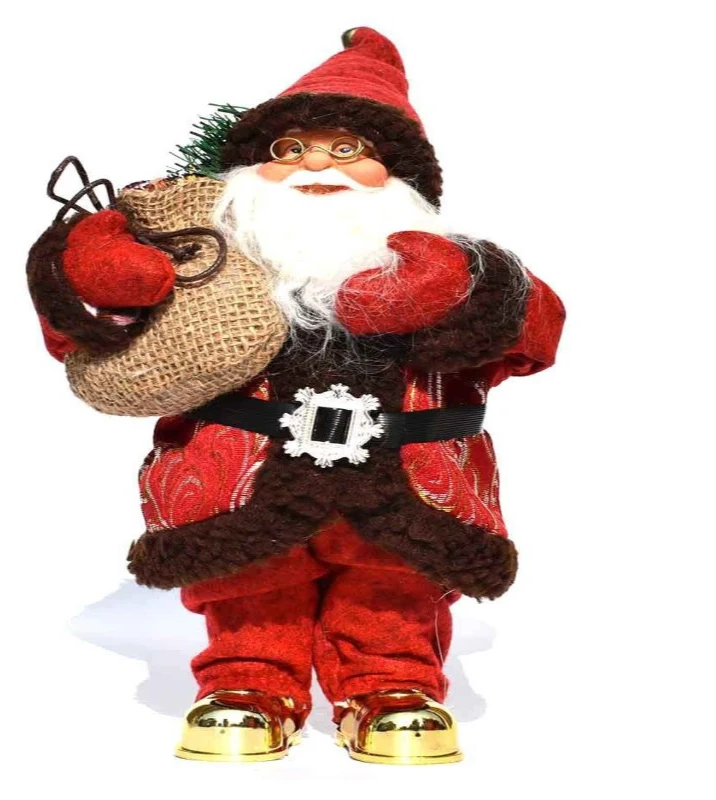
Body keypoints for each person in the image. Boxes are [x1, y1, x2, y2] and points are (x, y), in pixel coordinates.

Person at [29, 27, 565, 764]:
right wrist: (100, 286)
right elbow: (92, 345)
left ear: (400, 180)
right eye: (288, 150)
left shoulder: (450, 262)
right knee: (249, 586)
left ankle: (393, 684)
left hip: (407, 485)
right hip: (241, 483)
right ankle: (248, 682)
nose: (315, 163)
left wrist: (462, 290)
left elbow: (536, 335)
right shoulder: (206, 266)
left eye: (347, 149)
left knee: (391, 588)